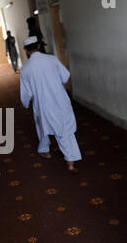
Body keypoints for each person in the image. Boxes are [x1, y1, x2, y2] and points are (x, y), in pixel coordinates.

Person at [20, 36, 82, 172]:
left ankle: (45, 150)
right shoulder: (52, 59)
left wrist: (25, 104)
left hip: (42, 104)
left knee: (42, 126)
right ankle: (69, 161)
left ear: (25, 50)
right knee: (63, 130)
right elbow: (65, 76)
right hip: (60, 100)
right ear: (39, 45)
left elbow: (26, 93)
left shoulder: (25, 69)